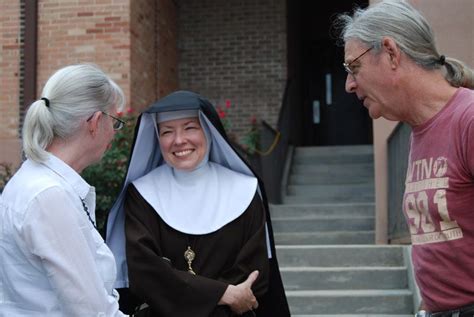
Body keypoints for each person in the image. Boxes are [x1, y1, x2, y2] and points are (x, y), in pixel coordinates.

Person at [336, 0, 474, 315]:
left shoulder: (469, 120)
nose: (349, 84)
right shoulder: (419, 132)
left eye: (353, 67)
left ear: (391, 53)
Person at [106, 90, 290, 316]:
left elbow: (254, 272)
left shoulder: (245, 189)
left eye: (190, 128)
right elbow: (145, 272)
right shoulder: (141, 194)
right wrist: (224, 295)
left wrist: (207, 299)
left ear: (209, 132)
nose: (179, 140)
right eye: (166, 132)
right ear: (157, 139)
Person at [0, 64, 128, 316]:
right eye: (115, 121)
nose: (114, 133)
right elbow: (91, 310)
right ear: (95, 122)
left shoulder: (35, 182)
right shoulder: (49, 195)